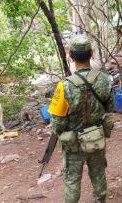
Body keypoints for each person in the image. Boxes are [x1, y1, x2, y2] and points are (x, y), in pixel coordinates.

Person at [48, 34, 114, 203]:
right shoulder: (105, 80)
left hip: (74, 144)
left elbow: (57, 124)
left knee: (72, 181)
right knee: (98, 173)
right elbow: (110, 108)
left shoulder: (64, 86)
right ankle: (101, 199)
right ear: (91, 53)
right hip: (96, 138)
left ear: (70, 55)